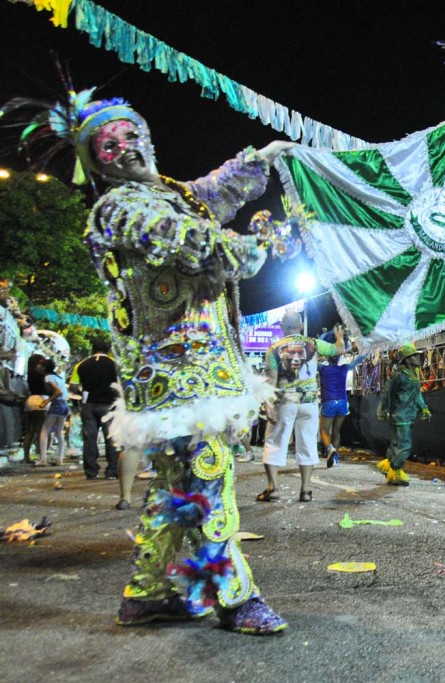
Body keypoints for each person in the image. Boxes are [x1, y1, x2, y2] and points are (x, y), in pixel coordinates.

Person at [21, 89, 299, 632]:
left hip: (194, 373)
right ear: (95, 162)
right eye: (107, 145)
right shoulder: (120, 206)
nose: (124, 148)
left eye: (130, 136)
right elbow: (194, 242)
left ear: (146, 138)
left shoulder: (165, 193)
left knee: (176, 486)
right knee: (207, 477)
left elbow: (208, 193)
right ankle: (234, 596)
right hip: (176, 378)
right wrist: (254, 248)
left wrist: (260, 159)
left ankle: (146, 594)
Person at [259, 312, 345, 503]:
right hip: (309, 403)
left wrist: (267, 404)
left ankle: (273, 489)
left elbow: (271, 380)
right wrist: (339, 337)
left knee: (275, 442)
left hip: (284, 402)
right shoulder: (313, 343)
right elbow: (339, 350)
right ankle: (305, 491)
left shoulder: (274, 348)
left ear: (282, 325)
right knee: (307, 444)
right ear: (300, 325)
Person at [376, 343, 431, 486]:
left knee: (396, 444)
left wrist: (423, 408)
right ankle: (396, 471)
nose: (417, 358)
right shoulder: (399, 376)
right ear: (406, 359)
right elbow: (387, 394)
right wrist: (383, 410)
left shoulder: (414, 375)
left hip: (408, 414)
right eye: (413, 356)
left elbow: (417, 393)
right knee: (404, 445)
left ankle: (388, 467)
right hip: (400, 416)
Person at [68, 340, 120, 480]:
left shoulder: (81, 365)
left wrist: (83, 391)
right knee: (111, 438)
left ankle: (91, 471)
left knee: (89, 438)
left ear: (93, 350)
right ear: (108, 350)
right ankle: (111, 471)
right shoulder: (115, 364)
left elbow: (73, 385)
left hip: (89, 405)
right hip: (110, 405)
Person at [318, 335, 364, 468]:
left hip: (329, 403)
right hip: (343, 403)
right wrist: (366, 349)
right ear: (339, 357)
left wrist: (321, 339)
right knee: (336, 432)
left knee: (324, 432)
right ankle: (336, 458)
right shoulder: (344, 368)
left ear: (328, 356)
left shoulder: (322, 368)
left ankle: (330, 449)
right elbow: (359, 359)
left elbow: (310, 361)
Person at [37, 358, 70, 467]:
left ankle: (43, 459)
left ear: (44, 367)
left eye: (39, 365)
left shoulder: (48, 377)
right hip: (64, 405)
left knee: (44, 431)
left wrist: (46, 401)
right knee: (59, 432)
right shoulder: (58, 377)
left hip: (57, 404)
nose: (37, 367)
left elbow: (58, 392)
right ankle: (59, 458)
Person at [22, 353, 49, 464]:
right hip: (41, 401)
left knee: (30, 430)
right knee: (40, 430)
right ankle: (40, 455)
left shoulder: (29, 373)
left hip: (31, 400)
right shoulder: (42, 375)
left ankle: (26, 456)